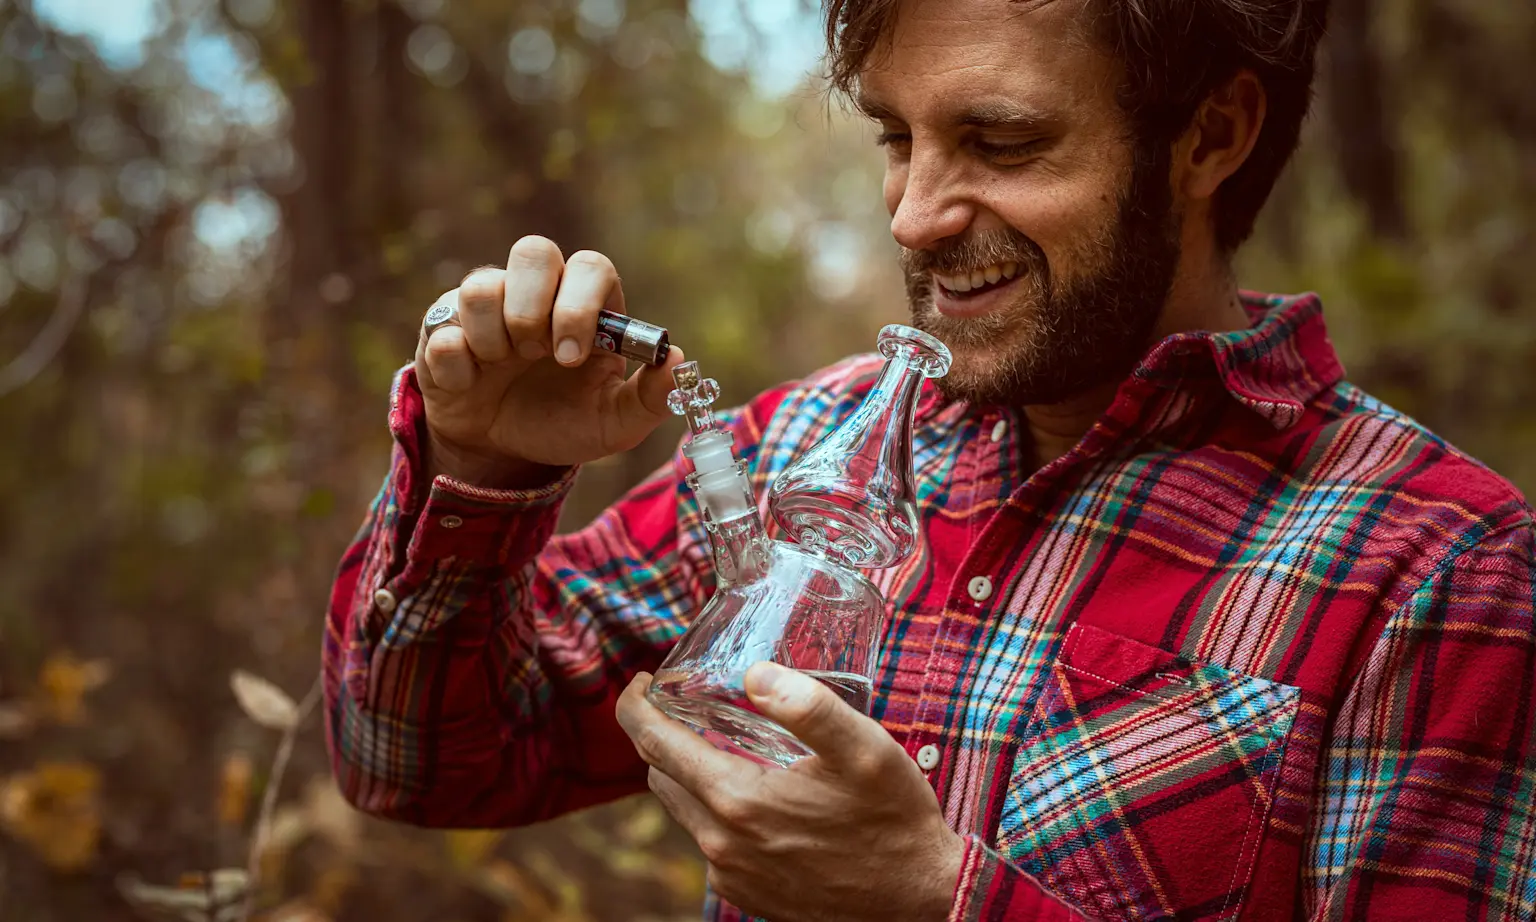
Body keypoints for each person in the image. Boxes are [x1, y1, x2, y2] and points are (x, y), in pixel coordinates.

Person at [321, 0, 1536, 919]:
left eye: (999, 141)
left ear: (1211, 135)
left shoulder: (1438, 568)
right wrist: (481, 463)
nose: (912, 215)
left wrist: (936, 901)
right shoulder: (807, 447)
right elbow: (417, 765)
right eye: (898, 137)